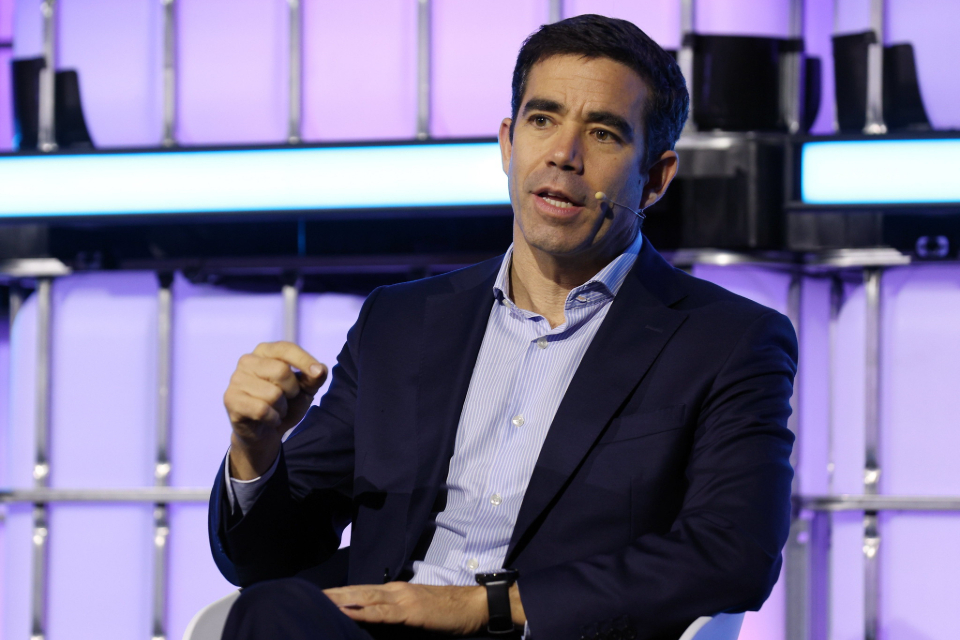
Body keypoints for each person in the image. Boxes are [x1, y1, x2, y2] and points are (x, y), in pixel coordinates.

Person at [209, 14, 797, 640]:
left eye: (602, 133)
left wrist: (485, 605)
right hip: (378, 630)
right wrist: (255, 449)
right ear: (508, 145)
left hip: (544, 631)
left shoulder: (727, 341)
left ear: (654, 178)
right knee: (269, 611)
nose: (563, 155)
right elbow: (267, 558)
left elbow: (733, 553)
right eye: (542, 120)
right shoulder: (400, 322)